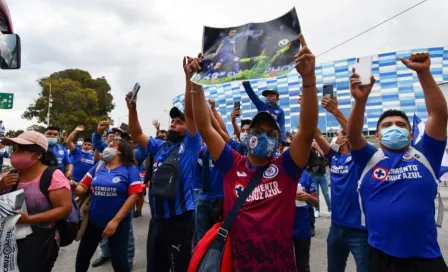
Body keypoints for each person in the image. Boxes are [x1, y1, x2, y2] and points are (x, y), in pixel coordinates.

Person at [190, 33, 318, 270]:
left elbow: (308, 130)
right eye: (258, 130)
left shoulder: (286, 167)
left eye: (271, 133)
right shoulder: (232, 164)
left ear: (279, 141)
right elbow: (206, 128)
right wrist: (196, 83)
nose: (263, 136)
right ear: (247, 136)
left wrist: (308, 78)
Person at [347, 53, 448, 271]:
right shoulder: (369, 158)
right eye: (387, 125)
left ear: (411, 135)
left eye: (401, 125)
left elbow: (439, 115)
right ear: (378, 135)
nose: (395, 127)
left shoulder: (426, 154)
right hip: (381, 259)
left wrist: (424, 73)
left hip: (426, 258)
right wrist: (360, 100)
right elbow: (353, 134)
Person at [127, 56, 201, 272]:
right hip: (157, 221)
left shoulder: (190, 145)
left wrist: (189, 78)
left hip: (180, 220)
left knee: (179, 267)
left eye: (180, 122)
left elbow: (192, 113)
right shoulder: (160, 146)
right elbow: (137, 133)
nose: (174, 125)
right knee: (156, 267)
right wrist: (132, 108)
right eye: (173, 121)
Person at [0, 131, 72, 272]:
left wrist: (29, 219)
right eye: (15, 149)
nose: (15, 154)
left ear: (38, 154)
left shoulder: (53, 176)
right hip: (9, 238)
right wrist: (1, 185)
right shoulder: (12, 174)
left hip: (40, 241)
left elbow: (64, 208)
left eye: (21, 150)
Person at [314, 96, 369, 272]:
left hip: (359, 231)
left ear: (345, 138)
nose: (333, 139)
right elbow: (315, 133)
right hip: (336, 228)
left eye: (337, 135)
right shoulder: (334, 157)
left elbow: (354, 133)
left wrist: (336, 111)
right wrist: (306, 106)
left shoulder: (362, 159)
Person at [73, 138, 142, 272]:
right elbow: (83, 186)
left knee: (119, 261)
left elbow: (134, 195)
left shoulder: (130, 169)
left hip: (118, 224)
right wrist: (75, 187)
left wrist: (115, 221)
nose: (106, 148)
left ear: (121, 151)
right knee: (82, 257)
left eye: (111, 146)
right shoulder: (99, 166)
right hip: (93, 221)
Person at [294, 170, 318, 272]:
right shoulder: (281, 173)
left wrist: (307, 196)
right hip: (283, 229)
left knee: (303, 266)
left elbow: (316, 203)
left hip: (302, 228)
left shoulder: (306, 175)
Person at [308, 139, 331, 217]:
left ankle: (330, 210)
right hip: (314, 175)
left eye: (315, 141)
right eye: (313, 141)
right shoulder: (310, 150)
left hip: (322, 175)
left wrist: (318, 148)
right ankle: (317, 210)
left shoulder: (320, 149)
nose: (314, 142)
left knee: (326, 194)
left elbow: (326, 158)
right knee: (316, 194)